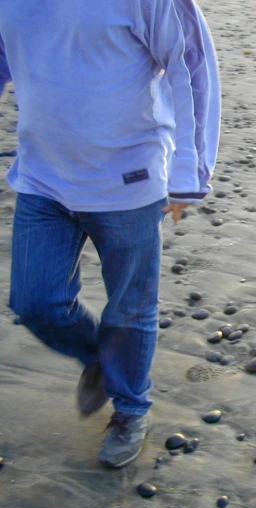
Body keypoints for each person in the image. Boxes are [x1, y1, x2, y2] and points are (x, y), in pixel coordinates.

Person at [0, 0, 220, 468]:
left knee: (131, 308)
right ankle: (103, 361)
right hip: (43, 179)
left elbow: (191, 67)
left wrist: (190, 172)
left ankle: (131, 409)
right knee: (35, 302)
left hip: (129, 181)